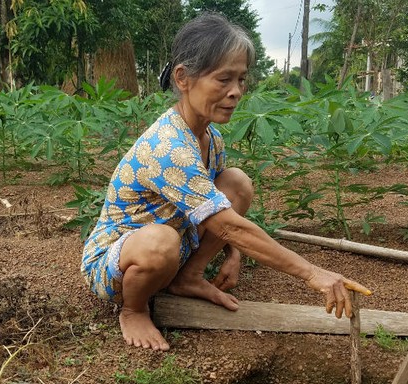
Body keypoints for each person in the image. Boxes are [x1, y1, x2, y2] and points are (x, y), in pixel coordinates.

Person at [80, 12, 371, 351]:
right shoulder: (168, 148)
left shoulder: (210, 137)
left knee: (235, 183)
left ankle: (187, 277)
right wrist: (312, 274)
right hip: (120, 262)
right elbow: (229, 226)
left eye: (241, 80)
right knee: (160, 242)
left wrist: (235, 254)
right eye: (223, 80)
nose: (235, 92)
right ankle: (134, 309)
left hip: (175, 242)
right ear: (183, 78)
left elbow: (221, 207)